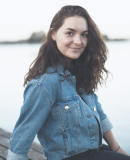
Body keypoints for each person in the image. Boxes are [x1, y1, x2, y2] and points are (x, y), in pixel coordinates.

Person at [7, 5, 130, 160]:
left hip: (93, 151)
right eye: (70, 33)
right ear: (53, 34)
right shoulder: (44, 84)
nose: (78, 41)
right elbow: (20, 141)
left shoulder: (79, 73)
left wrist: (117, 149)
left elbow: (99, 112)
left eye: (84, 34)